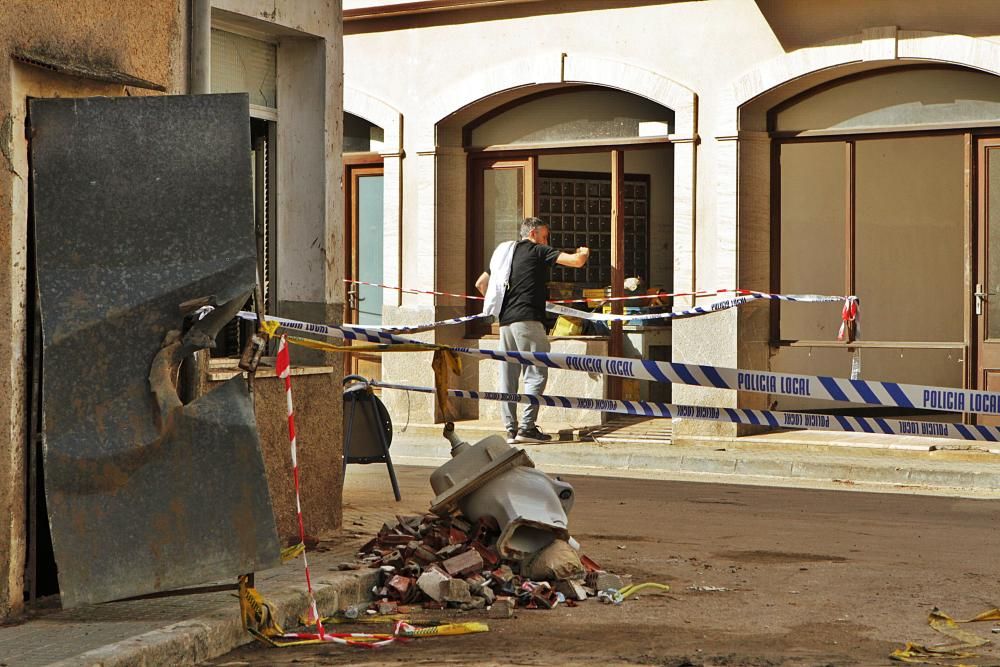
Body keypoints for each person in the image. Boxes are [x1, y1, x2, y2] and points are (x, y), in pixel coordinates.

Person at [475, 217, 590, 443]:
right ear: (534, 233)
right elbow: (576, 262)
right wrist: (584, 252)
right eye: (545, 236)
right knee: (536, 372)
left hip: (505, 322)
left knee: (508, 376)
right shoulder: (537, 250)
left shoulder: (504, 255)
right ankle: (527, 428)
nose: (547, 240)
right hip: (528, 320)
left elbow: (481, 284)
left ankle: (511, 429)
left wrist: (503, 305)